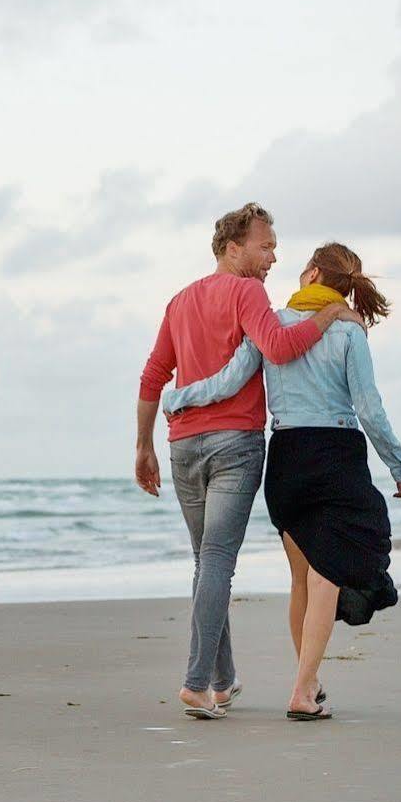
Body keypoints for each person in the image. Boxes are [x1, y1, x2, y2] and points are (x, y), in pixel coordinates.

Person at [162, 242, 401, 722]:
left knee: (302, 577)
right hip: (335, 456)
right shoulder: (347, 330)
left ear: (312, 273)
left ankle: (309, 683)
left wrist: (181, 396)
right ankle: (301, 689)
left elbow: (229, 381)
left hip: (287, 459)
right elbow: (369, 409)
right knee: (327, 576)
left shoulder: (271, 324)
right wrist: (398, 465)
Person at [135, 203, 359, 721]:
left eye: (276, 249)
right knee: (215, 562)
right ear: (232, 247)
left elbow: (152, 376)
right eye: (265, 247)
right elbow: (279, 348)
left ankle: (222, 679)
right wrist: (329, 313)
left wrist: (144, 444)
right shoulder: (246, 292)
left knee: (206, 562)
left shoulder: (179, 300)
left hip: (182, 447)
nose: (272, 258)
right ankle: (195, 683)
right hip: (233, 444)